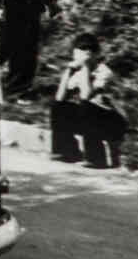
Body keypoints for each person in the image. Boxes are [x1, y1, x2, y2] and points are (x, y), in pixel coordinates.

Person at [50, 33, 128, 167]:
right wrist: (69, 70)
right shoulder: (77, 72)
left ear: (96, 54)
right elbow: (59, 97)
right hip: (92, 119)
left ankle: (96, 158)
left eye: (89, 51)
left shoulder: (104, 72)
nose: (85, 54)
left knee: (87, 106)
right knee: (59, 106)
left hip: (113, 121)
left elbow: (86, 95)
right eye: (80, 50)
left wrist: (85, 67)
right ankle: (67, 151)